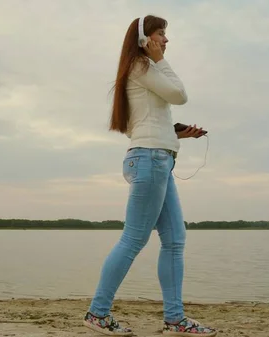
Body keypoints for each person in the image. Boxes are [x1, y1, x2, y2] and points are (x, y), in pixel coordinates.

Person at [82, 15, 217, 336]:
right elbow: (180, 95)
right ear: (145, 38)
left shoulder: (138, 72)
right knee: (133, 239)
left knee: (174, 240)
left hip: (155, 158)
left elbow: (138, 125)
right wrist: (158, 59)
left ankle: (175, 319)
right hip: (150, 160)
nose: (166, 41)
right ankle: (98, 313)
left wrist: (175, 134)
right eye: (161, 34)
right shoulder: (143, 66)